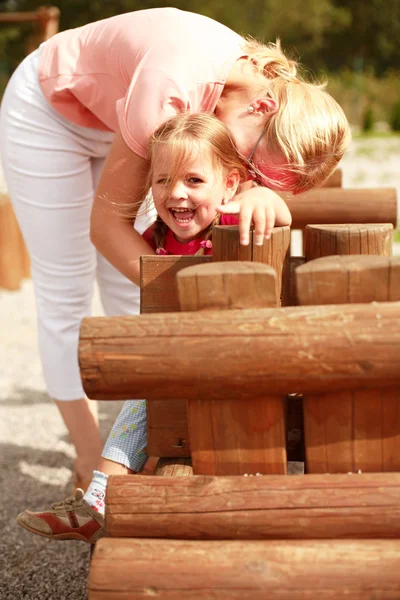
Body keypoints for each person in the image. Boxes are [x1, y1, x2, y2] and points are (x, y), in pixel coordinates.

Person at [0, 7, 350, 490]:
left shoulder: (244, 103)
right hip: (50, 113)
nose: (248, 178)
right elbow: (107, 227)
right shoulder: (170, 91)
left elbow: (232, 186)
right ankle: (87, 457)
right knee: (68, 288)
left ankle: (140, 437)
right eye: (254, 165)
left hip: (122, 116)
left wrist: (262, 192)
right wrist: (186, 291)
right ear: (265, 110)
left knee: (134, 290)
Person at [16, 112, 292, 543]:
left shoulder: (232, 224)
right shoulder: (155, 236)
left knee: (152, 384)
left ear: (231, 185)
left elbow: (279, 215)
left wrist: (262, 197)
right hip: (187, 368)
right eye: (162, 181)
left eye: (194, 181)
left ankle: (100, 496)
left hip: (239, 363)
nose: (176, 194)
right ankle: (109, 495)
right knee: (147, 381)